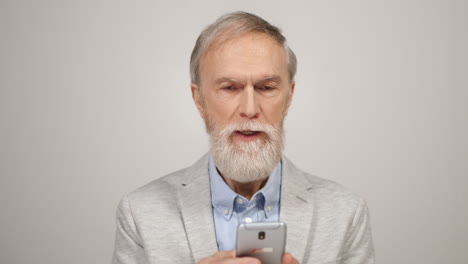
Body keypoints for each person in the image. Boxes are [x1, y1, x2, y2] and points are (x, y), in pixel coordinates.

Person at [112, 11, 375, 264]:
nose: (250, 109)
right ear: (198, 99)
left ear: (289, 96)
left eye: (266, 87)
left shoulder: (346, 213)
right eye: (230, 88)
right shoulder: (140, 213)